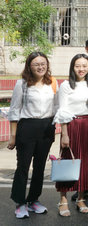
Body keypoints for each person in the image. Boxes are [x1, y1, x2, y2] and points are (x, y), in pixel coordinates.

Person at [8, 52, 58, 219]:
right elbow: (14, 110)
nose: (40, 67)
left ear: (47, 65)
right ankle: (20, 202)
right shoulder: (22, 84)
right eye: (36, 64)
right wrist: (13, 136)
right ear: (29, 66)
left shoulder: (52, 82)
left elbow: (57, 107)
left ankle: (33, 200)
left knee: (40, 167)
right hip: (27, 128)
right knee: (23, 167)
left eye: (43, 63)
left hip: (47, 128)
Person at [53, 54, 88, 216]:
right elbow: (62, 109)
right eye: (78, 66)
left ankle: (81, 198)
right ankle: (63, 200)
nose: (81, 69)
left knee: (85, 162)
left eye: (84, 66)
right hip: (71, 125)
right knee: (67, 160)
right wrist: (64, 134)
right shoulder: (66, 85)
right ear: (72, 67)